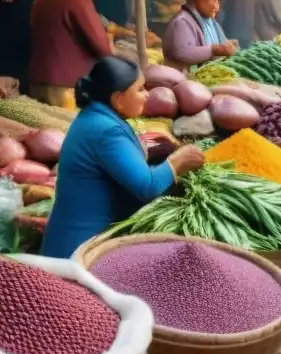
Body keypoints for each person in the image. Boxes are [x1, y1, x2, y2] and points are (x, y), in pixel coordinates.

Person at [41, 58, 205, 258]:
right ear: (118, 99)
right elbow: (148, 186)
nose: (147, 95)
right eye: (140, 89)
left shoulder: (95, 116)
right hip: (80, 249)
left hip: (78, 240)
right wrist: (179, 161)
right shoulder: (106, 130)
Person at [28, 0, 111, 107]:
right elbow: (101, 47)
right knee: (64, 129)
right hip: (66, 85)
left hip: (37, 79)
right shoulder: (79, 0)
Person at [162, 0, 237, 72]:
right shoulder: (182, 22)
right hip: (184, 79)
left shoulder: (212, 23)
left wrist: (229, 46)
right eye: (213, 0)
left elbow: (221, 43)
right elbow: (181, 52)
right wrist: (214, 50)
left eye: (218, 1)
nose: (217, 7)